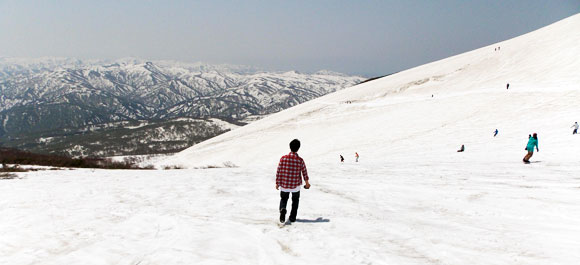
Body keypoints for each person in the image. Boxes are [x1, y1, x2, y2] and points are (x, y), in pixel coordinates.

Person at [276, 139, 311, 223]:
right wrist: (307, 183)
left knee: (284, 199)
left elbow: (279, 170)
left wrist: (277, 183)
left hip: (284, 185)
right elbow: (304, 172)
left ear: (290, 147)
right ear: (298, 148)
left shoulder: (283, 158)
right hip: (295, 186)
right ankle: (292, 217)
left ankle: (283, 209)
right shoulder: (300, 160)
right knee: (295, 201)